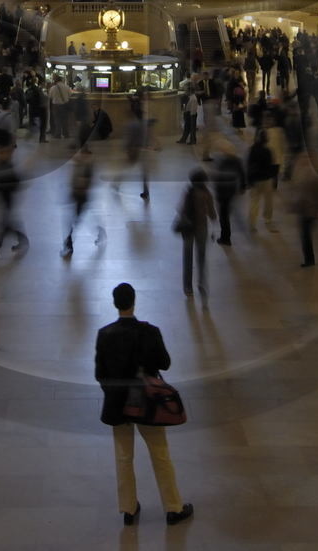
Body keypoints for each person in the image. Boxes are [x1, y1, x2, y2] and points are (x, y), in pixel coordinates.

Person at [93, 283, 193, 527]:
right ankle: (173, 507)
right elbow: (165, 363)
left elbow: (100, 374)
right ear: (133, 302)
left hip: (118, 405)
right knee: (160, 454)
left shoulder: (105, 334)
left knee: (124, 457)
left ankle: (128, 509)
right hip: (148, 403)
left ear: (115, 304)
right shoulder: (150, 332)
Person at [0, 135, 27, 261]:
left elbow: (16, 184)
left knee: (2, 229)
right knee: (9, 226)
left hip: (8, 201)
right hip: (3, 201)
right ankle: (22, 240)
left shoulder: (9, 168)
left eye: (2, 152)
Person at [175, 169, 216, 298]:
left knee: (187, 257)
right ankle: (201, 281)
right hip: (201, 228)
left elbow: (180, 209)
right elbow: (211, 212)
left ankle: (187, 286)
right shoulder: (206, 193)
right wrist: (213, 219)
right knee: (201, 257)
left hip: (187, 228)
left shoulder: (188, 191)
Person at [62, 145, 103, 257]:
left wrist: (79, 188)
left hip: (82, 196)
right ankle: (99, 232)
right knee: (76, 219)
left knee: (75, 220)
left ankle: (69, 245)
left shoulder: (87, 166)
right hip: (77, 195)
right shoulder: (78, 163)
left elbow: (85, 183)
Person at [292, 150, 318, 268]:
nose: (304, 160)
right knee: (305, 236)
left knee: (306, 236)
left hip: (311, 211)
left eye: (307, 158)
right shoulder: (303, 172)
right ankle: (309, 259)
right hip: (304, 209)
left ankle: (309, 260)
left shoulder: (317, 174)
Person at [210, 141, 246, 247]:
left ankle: (225, 238)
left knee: (223, 216)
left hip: (223, 192)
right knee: (225, 214)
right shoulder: (237, 161)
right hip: (230, 191)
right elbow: (242, 174)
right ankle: (225, 236)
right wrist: (242, 187)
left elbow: (217, 177)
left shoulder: (222, 161)